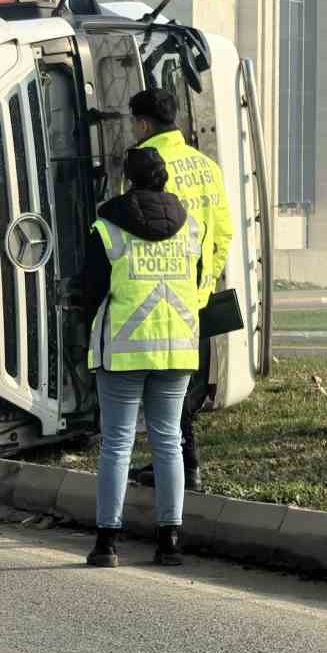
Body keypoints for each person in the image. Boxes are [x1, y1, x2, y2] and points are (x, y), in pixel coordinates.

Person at [81, 146, 204, 568]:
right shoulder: (192, 228)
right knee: (169, 441)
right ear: (165, 179)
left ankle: (107, 544)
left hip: (123, 350)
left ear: (127, 180)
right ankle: (170, 541)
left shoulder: (107, 228)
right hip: (178, 348)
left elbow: (91, 291)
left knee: (117, 443)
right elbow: (198, 279)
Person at [125, 87, 234, 494]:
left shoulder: (150, 164)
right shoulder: (205, 165)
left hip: (164, 293)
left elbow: (142, 232)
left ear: (142, 124)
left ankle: (184, 470)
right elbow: (223, 230)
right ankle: (182, 466)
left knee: (166, 388)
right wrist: (206, 282)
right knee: (185, 386)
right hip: (198, 293)